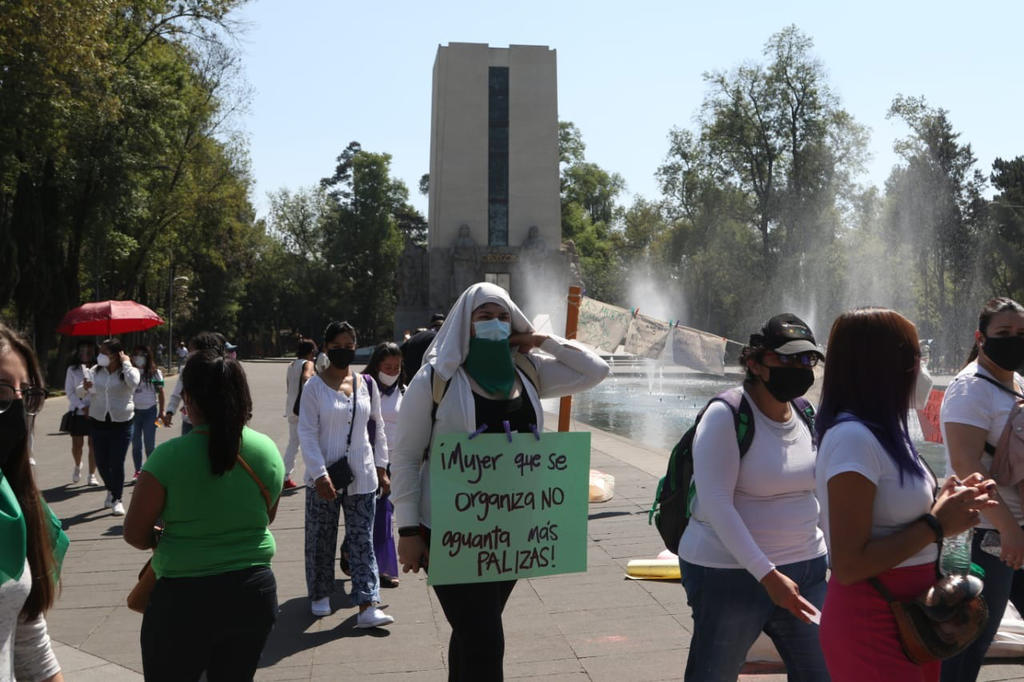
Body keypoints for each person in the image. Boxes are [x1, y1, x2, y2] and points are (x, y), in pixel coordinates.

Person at [392, 282, 609, 681]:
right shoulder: (436, 379)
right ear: (465, 324)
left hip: (509, 534)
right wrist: (407, 530)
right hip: (448, 533)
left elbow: (596, 370)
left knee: (473, 632)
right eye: (484, 317)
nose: (495, 324)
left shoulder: (528, 370)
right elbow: (404, 456)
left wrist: (542, 339)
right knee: (485, 638)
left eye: (503, 317)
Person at [814, 308, 995, 682]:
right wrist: (936, 523)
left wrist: (946, 501)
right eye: (914, 355)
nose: (921, 367)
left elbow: (891, 515)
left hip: (916, 619)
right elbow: (848, 565)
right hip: (874, 619)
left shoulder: (884, 435)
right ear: (882, 363)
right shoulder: (853, 439)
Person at [676, 313, 829, 682]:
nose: (799, 368)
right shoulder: (726, 414)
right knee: (714, 674)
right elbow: (716, 503)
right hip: (729, 575)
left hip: (805, 569)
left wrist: (835, 561)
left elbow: (819, 494)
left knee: (822, 673)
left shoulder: (806, 414)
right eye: (787, 359)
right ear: (756, 363)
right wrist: (767, 574)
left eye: (806, 359)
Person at [124, 350, 284, 681]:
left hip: (182, 601)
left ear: (191, 400)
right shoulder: (267, 450)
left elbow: (135, 535)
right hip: (252, 593)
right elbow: (265, 518)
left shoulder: (166, 459)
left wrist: (164, 532)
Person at [940, 297, 1024, 681]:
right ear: (981, 338)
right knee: (966, 644)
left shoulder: (1016, 382)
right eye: (1003, 333)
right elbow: (965, 465)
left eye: (1021, 333)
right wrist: (1009, 529)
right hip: (986, 536)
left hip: (1015, 531)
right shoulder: (969, 389)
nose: (1014, 340)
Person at [298, 321, 394, 627]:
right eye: (337, 345)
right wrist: (319, 473)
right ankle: (320, 594)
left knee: (362, 539)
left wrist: (381, 467)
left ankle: (367, 603)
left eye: (349, 344)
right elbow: (307, 433)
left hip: (363, 476)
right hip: (324, 478)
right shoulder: (314, 386)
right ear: (326, 348)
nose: (344, 350)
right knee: (321, 538)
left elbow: (377, 427)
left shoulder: (366, 383)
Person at [0, 323, 67, 681]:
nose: (13, 409)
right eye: (0, 394)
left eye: (24, 396)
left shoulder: (15, 503)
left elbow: (30, 646)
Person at [77, 338, 139, 516]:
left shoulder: (128, 370)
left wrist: (126, 363)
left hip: (122, 422)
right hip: (98, 421)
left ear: (115, 354)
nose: (100, 355)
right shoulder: (95, 371)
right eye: (100, 352)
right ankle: (111, 489)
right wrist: (85, 387)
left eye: (104, 352)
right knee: (102, 462)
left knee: (116, 462)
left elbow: (134, 383)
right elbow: (80, 391)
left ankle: (117, 499)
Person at [361, 342, 404, 588]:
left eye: (397, 367)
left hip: (398, 461)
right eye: (387, 367)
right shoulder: (365, 389)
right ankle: (384, 567)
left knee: (382, 515)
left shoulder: (405, 390)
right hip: (373, 461)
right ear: (377, 366)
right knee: (382, 516)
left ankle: (351, 549)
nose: (392, 371)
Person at [164, 332, 226, 436]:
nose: (190, 353)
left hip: (213, 423)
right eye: (190, 350)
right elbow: (177, 393)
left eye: (193, 350)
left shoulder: (220, 369)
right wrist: (170, 411)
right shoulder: (186, 370)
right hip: (189, 423)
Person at [282, 338, 317, 490]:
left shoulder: (292, 365)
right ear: (310, 352)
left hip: (291, 409)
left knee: (293, 444)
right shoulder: (308, 364)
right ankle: (315, 475)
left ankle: (284, 476)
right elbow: (307, 378)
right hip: (303, 410)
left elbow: (288, 386)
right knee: (311, 443)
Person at [64, 340, 98, 485]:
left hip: (96, 411)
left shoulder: (100, 369)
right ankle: (78, 465)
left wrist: (92, 407)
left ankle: (92, 475)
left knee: (93, 444)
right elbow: (69, 392)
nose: (85, 353)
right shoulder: (72, 369)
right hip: (78, 411)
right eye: (82, 350)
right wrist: (82, 406)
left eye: (89, 350)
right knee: (77, 445)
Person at [130, 345, 165, 480]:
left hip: (150, 412)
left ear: (147, 356)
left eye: (141, 354)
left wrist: (161, 412)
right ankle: (138, 471)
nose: (138, 357)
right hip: (134, 412)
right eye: (136, 354)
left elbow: (161, 392)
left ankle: (150, 471)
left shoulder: (155, 373)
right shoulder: (130, 373)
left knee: (149, 444)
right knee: (136, 444)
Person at [400, 313, 445, 385]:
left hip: (410, 379)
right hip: (427, 381)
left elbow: (400, 351)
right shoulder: (440, 338)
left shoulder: (418, 337)